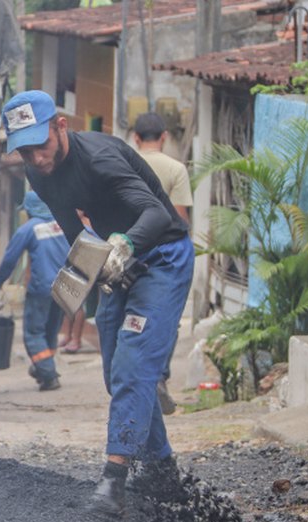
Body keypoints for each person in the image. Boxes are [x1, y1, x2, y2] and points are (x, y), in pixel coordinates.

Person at [1, 90, 193, 518]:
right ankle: (162, 470)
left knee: (134, 363)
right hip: (118, 262)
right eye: (25, 151)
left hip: (161, 256)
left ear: (61, 126)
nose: (35, 158)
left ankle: (113, 482)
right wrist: (92, 272)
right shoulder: (40, 173)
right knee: (115, 373)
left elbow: (161, 216)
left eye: (40, 146)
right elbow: (74, 228)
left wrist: (126, 243)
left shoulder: (101, 159)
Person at [133, 112, 193, 416]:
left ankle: (135, 376)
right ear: (165, 137)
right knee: (167, 318)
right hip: (168, 252)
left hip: (132, 249)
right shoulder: (176, 169)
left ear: (135, 138)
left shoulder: (126, 163)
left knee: (133, 314)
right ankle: (159, 376)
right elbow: (180, 217)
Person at [0, 191, 69, 391]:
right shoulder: (64, 225)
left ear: (30, 209)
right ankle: (44, 368)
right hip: (65, 287)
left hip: (41, 288)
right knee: (51, 330)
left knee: (34, 333)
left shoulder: (28, 229)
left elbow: (10, 259)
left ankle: (48, 374)